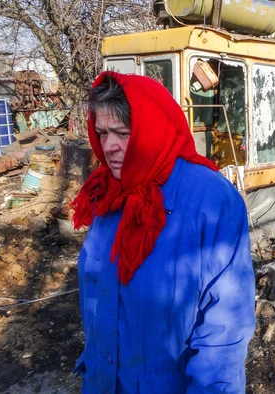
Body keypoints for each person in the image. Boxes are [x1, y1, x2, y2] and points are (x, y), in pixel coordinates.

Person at [71, 71, 255, 394]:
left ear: (151, 129)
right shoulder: (110, 192)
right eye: (101, 132)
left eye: (122, 132)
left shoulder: (211, 202)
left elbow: (224, 338)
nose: (108, 146)